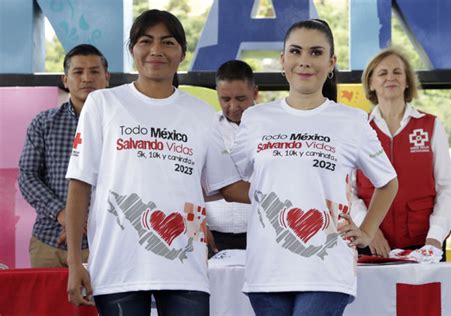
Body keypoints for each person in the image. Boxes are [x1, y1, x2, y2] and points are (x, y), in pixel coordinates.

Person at [65, 9, 247, 316]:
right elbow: (80, 185)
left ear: (182, 53)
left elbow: (228, 186)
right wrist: (74, 262)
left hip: (185, 267)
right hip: (117, 267)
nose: (156, 50)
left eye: (168, 42)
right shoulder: (103, 104)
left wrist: (282, 191)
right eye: (146, 41)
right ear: (133, 49)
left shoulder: (201, 113)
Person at [229, 19, 398, 316]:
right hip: (267, 270)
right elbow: (236, 181)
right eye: (295, 51)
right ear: (283, 60)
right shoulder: (256, 118)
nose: (304, 61)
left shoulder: (351, 121)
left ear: (331, 63)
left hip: (327, 268)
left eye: (316, 53)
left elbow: (388, 182)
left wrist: (368, 232)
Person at [351, 47, 451, 260]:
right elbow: (348, 191)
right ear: (370, 83)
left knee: (424, 295)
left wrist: (435, 238)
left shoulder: (430, 126)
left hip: (424, 244)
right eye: (382, 73)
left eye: (397, 72)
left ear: (407, 81)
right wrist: (368, 230)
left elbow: (447, 188)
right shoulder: (357, 128)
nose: (391, 77)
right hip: (371, 243)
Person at [18, 44, 110, 268]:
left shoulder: (122, 125)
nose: (86, 78)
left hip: (106, 242)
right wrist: (64, 215)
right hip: (49, 242)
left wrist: (84, 221)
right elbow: (28, 176)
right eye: (78, 72)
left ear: (107, 78)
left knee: (100, 305)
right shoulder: (44, 123)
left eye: (94, 72)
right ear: (65, 80)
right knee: (47, 304)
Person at [206, 60, 258, 255]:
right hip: (214, 235)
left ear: (255, 92)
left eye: (241, 98)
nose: (233, 106)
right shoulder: (206, 128)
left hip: (262, 234)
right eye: (225, 99)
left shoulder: (273, 130)